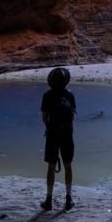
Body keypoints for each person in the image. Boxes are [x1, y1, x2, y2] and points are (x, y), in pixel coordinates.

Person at [40, 66, 76, 211]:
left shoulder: (47, 95)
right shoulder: (70, 95)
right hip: (67, 134)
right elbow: (72, 116)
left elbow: (44, 117)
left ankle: (48, 199)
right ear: (66, 81)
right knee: (68, 165)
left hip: (52, 134)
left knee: (51, 167)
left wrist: (51, 127)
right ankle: (68, 199)